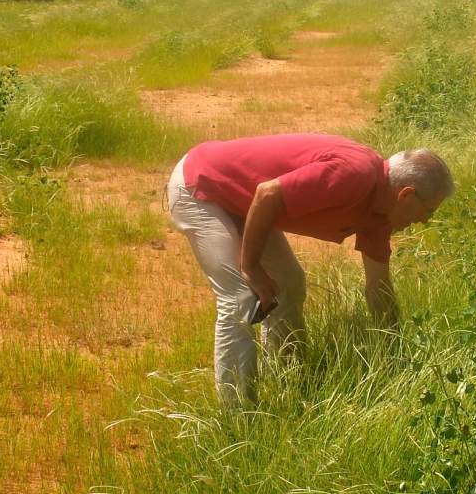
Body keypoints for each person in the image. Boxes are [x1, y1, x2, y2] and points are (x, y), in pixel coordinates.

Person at [165, 134, 452, 405]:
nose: (426, 221)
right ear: (406, 195)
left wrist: (396, 356)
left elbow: (379, 290)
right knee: (240, 297)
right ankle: (238, 417)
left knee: (289, 283)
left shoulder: (379, 215)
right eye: (428, 211)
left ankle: (288, 378)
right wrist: (250, 267)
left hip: (244, 202)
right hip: (202, 185)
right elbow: (268, 194)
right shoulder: (355, 175)